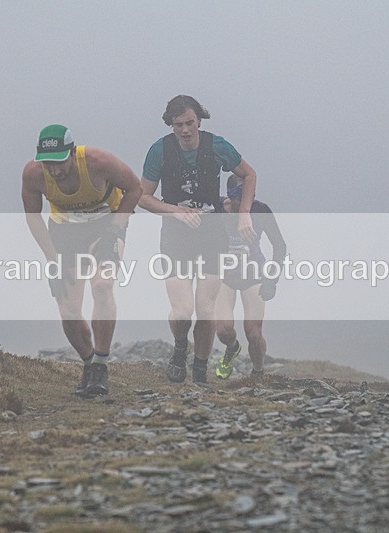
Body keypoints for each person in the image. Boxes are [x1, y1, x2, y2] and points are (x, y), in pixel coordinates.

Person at [139, 95, 257, 384]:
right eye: (178, 125)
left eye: (190, 123)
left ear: (199, 121)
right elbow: (141, 196)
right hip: (176, 234)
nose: (185, 130)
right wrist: (175, 211)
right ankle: (180, 348)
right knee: (183, 311)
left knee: (206, 309)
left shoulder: (217, 146)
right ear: (172, 125)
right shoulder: (159, 151)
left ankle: (200, 371)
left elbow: (249, 174)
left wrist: (244, 214)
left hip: (212, 233)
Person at [22, 124, 141, 397]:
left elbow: (134, 188)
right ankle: (88, 363)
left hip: (105, 224)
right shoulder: (33, 174)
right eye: (48, 164)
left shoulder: (98, 161)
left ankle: (101, 365)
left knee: (102, 285)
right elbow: (32, 217)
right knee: (68, 309)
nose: (55, 171)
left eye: (60, 162)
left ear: (72, 152)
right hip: (65, 231)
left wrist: (117, 227)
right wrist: (52, 260)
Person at [214, 174, 286, 381]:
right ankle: (232, 348)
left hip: (253, 274)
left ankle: (258, 373)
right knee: (224, 329)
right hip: (224, 276)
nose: (244, 203)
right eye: (239, 198)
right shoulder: (217, 208)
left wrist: (272, 279)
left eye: (249, 197)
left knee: (253, 333)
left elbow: (279, 245)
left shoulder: (261, 210)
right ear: (229, 196)